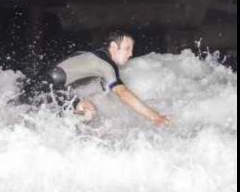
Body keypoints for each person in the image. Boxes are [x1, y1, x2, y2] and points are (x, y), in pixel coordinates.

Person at [20, 29, 170, 126]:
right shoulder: (105, 65)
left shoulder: (91, 56)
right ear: (113, 47)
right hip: (49, 88)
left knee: (76, 109)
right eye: (127, 49)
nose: (131, 54)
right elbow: (123, 93)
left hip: (37, 85)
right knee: (88, 110)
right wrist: (154, 116)